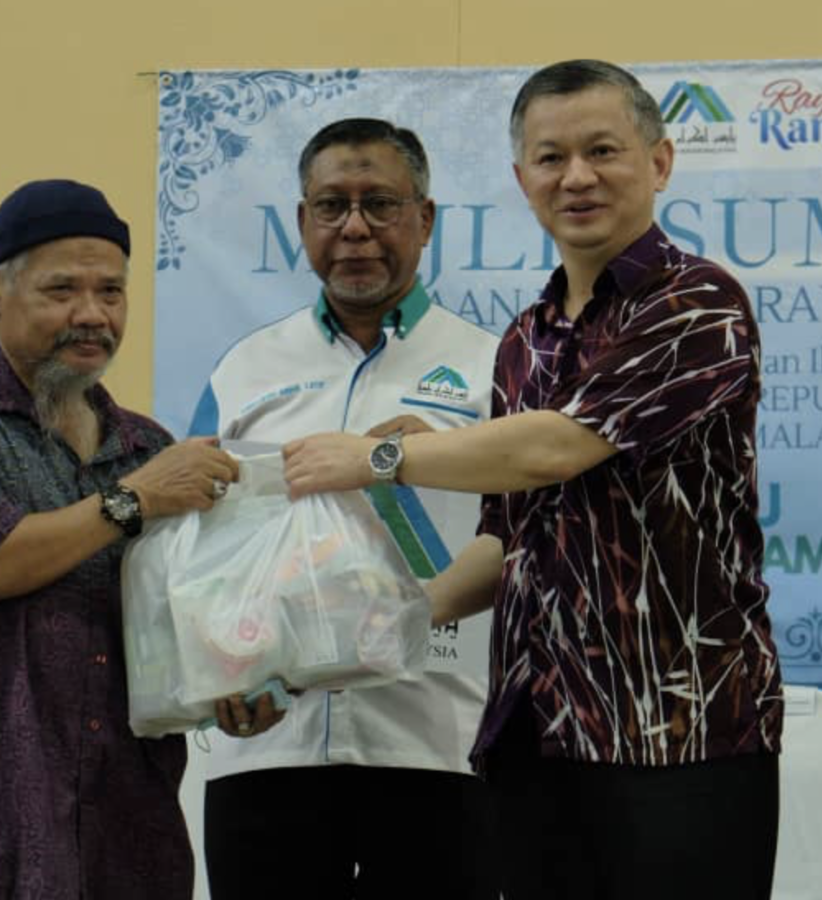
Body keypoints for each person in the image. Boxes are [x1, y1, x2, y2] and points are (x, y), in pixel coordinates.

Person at [283, 59, 783, 900]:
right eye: (551, 158)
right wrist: (388, 622)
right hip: (536, 737)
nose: (576, 177)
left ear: (659, 162)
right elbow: (509, 538)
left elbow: (559, 447)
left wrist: (377, 458)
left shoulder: (697, 302)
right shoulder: (525, 340)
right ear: (523, 180)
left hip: (680, 733)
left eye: (602, 151)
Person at [0, 179, 240, 899]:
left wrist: (238, 685)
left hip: (131, 838)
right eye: (62, 290)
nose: (92, 315)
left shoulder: (146, 446)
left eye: (112, 292)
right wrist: (135, 500)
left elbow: (191, 626)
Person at [189, 118, 499, 900]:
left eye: (380, 204)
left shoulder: (496, 367)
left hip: (439, 748)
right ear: (303, 221)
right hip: (269, 750)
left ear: (424, 219)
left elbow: (533, 539)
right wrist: (213, 666)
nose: (354, 228)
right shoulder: (243, 369)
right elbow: (197, 543)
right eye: (331, 206)